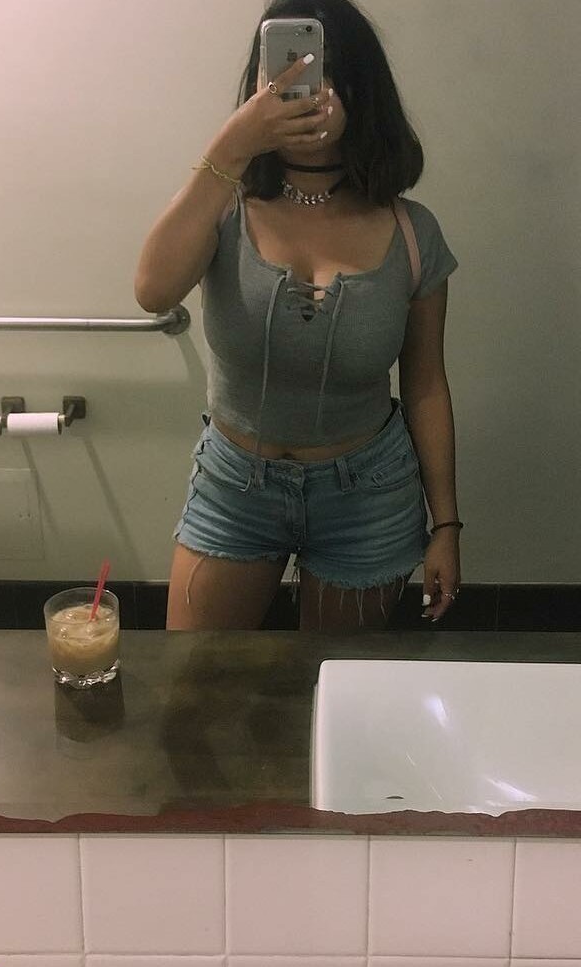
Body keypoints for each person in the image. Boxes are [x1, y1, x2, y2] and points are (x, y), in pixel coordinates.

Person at [135, 0, 461, 632]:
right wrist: (233, 143)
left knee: (333, 679)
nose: (311, 88)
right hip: (235, 487)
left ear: (364, 89)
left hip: (368, 492)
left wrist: (446, 524)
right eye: (288, 68)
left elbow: (426, 384)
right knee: (198, 679)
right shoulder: (225, 207)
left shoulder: (412, 232)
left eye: (330, 70)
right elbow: (153, 290)